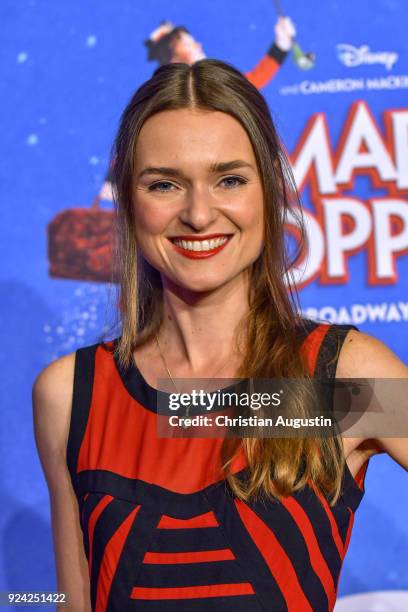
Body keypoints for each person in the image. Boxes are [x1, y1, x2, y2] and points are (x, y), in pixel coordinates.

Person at [32, 59, 408, 612]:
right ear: (130, 203)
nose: (200, 213)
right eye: (164, 184)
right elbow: (74, 601)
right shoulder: (72, 395)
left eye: (229, 179)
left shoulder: (341, 379)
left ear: (270, 192)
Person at [95, 16, 296, 205]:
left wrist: (281, 46)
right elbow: (136, 141)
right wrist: (112, 181)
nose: (199, 45)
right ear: (173, 57)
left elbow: (254, 79)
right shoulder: (162, 103)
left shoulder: (220, 86)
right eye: (189, 44)